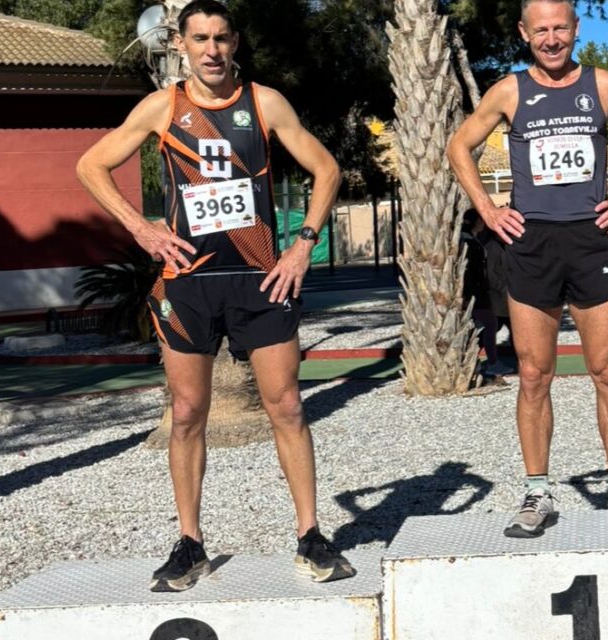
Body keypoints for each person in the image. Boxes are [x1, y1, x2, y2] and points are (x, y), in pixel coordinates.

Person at [76, 0, 354, 591]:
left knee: (287, 408)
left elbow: (326, 170)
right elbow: (90, 166)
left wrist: (303, 244)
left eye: (221, 38)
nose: (211, 50)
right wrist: (141, 227)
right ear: (179, 43)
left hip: (261, 279)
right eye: (199, 38)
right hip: (188, 285)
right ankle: (190, 544)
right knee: (185, 415)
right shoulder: (162, 107)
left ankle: (310, 535)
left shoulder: (265, 102)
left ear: (235, 42)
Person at [447, 0, 608, 537]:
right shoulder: (510, 91)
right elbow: (459, 145)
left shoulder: (604, 85)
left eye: (559, 28)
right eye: (540, 29)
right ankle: (537, 493)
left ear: (575, 29)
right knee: (534, 374)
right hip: (531, 243)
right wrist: (488, 210)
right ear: (524, 33)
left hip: (591, 241)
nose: (550, 38)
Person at [461, 209, 510, 377]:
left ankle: (479, 359)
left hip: (478, 291)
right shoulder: (470, 243)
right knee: (490, 324)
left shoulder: (473, 241)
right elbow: (472, 271)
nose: (483, 223)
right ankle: (491, 362)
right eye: (480, 220)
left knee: (490, 324)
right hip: (475, 292)